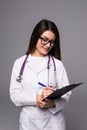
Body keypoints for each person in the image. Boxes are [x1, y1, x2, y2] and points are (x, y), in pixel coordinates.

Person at [10, 19, 71, 130]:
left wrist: (52, 103)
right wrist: (36, 98)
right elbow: (15, 95)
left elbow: (67, 95)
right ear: (34, 36)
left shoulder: (57, 65)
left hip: (53, 122)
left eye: (52, 42)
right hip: (29, 122)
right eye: (44, 40)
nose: (48, 45)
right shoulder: (19, 63)